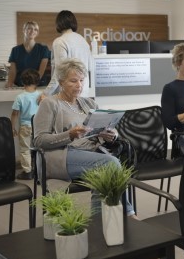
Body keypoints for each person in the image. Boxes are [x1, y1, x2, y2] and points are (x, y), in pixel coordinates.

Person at [33, 58, 135, 216]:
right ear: (61, 82)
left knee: (103, 174)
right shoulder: (50, 104)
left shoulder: (89, 103)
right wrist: (70, 134)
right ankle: (128, 214)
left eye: (81, 80)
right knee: (110, 164)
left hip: (90, 153)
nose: (79, 85)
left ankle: (99, 221)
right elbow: (39, 140)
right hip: (62, 154)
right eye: (73, 81)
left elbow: (105, 129)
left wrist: (111, 135)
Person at [42, 10, 92, 100]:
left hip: (67, 94)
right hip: (84, 92)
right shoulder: (83, 41)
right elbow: (90, 68)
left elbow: (59, 72)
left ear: (58, 23)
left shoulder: (60, 41)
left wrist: (46, 93)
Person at [10, 69, 41, 180]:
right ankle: (39, 170)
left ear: (22, 82)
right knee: (38, 148)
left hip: (25, 127)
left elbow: (15, 114)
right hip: (38, 126)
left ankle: (27, 171)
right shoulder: (41, 96)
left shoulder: (20, 97)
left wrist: (12, 127)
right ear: (37, 82)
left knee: (25, 149)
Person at [5, 21, 50, 89]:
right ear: (24, 30)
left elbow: (41, 72)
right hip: (21, 86)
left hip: (39, 86)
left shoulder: (43, 49)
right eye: (29, 28)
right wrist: (9, 83)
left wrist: (31, 86)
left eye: (35, 29)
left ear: (37, 33)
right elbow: (12, 71)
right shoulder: (15, 50)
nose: (32, 31)